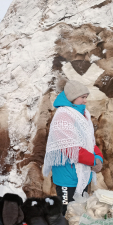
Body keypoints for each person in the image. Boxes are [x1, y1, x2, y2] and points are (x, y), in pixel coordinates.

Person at [42, 80, 103, 215]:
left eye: (86, 97)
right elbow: (70, 148)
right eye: (83, 97)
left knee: (80, 210)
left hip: (83, 172)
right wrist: (93, 161)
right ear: (72, 97)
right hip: (67, 175)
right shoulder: (63, 116)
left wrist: (99, 158)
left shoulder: (83, 114)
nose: (85, 101)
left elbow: (90, 142)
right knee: (67, 211)